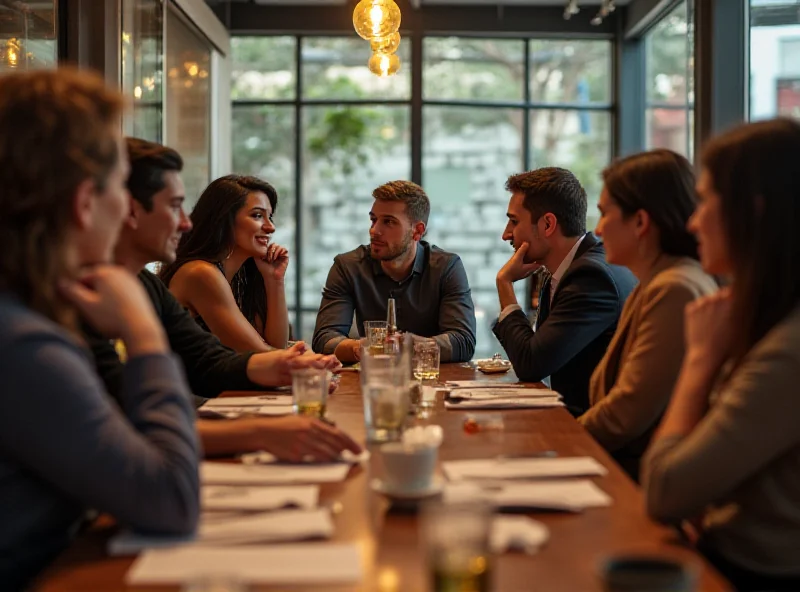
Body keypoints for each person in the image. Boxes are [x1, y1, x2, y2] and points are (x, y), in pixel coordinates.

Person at [0, 69, 198, 589]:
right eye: (117, 187)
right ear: (86, 202)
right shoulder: (21, 342)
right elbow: (171, 499)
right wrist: (143, 333)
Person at [88, 137, 359, 461]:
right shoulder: (87, 291)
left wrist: (288, 365)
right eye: (174, 206)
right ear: (129, 209)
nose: (185, 222)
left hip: (184, 421)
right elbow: (128, 417)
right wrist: (261, 426)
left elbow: (210, 357)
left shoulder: (145, 282)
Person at [642, 119, 800, 591]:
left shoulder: (787, 351)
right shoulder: (762, 320)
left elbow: (664, 489)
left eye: (707, 200)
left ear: (753, 211)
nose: (692, 221)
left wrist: (699, 362)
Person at [576, 150, 717, 480]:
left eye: (604, 214)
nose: (596, 231)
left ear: (640, 221)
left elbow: (626, 415)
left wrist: (555, 443)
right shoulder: (654, 281)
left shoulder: (674, 287)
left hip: (643, 481)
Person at [493, 168, 637, 414]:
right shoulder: (567, 271)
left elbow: (531, 363)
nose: (506, 233)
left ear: (548, 224)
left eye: (514, 221)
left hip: (597, 434)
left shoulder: (591, 277)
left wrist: (504, 284)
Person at [312, 180, 477, 363]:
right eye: (373, 220)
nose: (374, 230)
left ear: (417, 231)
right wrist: (364, 348)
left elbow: (463, 341)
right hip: (373, 381)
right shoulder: (348, 266)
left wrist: (406, 346)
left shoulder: (446, 267)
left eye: (388, 222)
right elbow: (324, 339)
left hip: (434, 381)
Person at [159, 175, 290, 352]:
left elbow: (276, 346)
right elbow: (260, 356)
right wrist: (306, 361)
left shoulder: (242, 278)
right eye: (258, 215)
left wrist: (275, 280)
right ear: (224, 220)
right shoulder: (200, 273)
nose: (270, 227)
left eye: (270, 217)